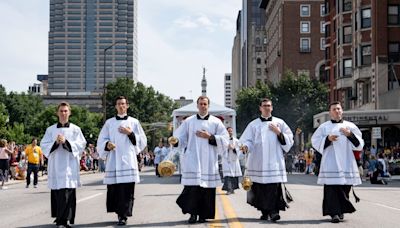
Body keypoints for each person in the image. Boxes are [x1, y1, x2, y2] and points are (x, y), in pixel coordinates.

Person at [171, 96, 229, 224]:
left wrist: (210, 137)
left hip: (209, 160)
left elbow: (225, 139)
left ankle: (203, 215)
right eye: (201, 104)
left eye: (205, 104)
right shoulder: (189, 121)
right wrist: (176, 141)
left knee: (207, 190)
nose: (203, 106)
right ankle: (192, 214)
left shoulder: (216, 122)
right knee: (193, 190)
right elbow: (180, 137)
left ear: (208, 106)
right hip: (193, 159)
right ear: (197, 106)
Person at [239, 98, 294, 222]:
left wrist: (279, 133)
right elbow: (247, 140)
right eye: (264, 106)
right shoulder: (253, 124)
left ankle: (274, 212)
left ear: (272, 107)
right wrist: (246, 146)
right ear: (260, 108)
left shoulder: (280, 123)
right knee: (260, 188)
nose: (267, 108)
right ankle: (264, 211)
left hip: (274, 161)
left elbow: (289, 140)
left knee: (273, 187)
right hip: (258, 161)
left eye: (269, 105)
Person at [97, 96, 147, 226]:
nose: (121, 106)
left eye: (123, 104)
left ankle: (124, 215)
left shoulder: (134, 122)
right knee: (115, 189)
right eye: (119, 104)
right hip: (114, 160)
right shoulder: (109, 123)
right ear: (115, 106)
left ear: (127, 106)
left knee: (127, 189)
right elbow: (101, 139)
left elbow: (142, 141)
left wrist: (130, 133)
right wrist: (107, 144)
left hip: (128, 160)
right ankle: (119, 213)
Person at [311, 101, 364, 223]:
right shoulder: (324, 127)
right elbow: (315, 141)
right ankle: (334, 213)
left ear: (342, 111)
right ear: (330, 112)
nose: (337, 111)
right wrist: (327, 139)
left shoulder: (350, 126)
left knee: (345, 187)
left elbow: (359, 145)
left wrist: (350, 135)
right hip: (331, 162)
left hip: (346, 161)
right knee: (332, 188)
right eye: (334, 109)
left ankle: (340, 211)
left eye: (339, 109)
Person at [40, 102, 87, 227]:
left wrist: (66, 142)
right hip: (55, 165)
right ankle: (59, 217)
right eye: (61, 111)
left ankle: (64, 220)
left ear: (69, 113)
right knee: (57, 192)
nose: (63, 113)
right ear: (57, 113)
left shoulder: (76, 129)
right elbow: (44, 145)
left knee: (67, 192)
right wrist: (55, 143)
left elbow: (81, 144)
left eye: (65, 111)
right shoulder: (50, 130)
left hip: (69, 165)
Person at [221, 127, 242, 195]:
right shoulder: (223, 141)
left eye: (231, 131)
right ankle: (229, 190)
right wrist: (227, 147)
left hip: (234, 160)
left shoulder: (236, 140)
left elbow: (239, 150)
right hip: (227, 160)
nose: (230, 132)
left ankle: (232, 189)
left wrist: (234, 149)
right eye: (228, 131)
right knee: (228, 175)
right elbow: (220, 150)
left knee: (234, 176)